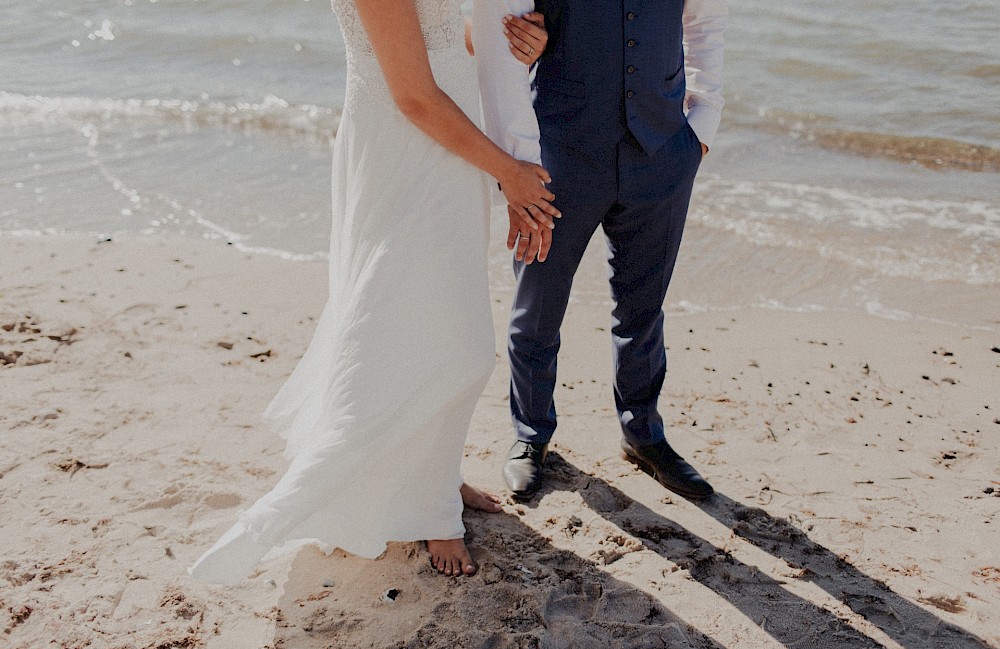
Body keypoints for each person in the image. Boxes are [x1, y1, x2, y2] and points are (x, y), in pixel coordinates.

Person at [189, 0, 555, 584]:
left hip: (450, 142)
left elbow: (435, 33)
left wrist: (506, 40)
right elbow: (412, 94)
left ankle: (436, 476)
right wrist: (509, 171)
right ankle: (429, 508)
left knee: (434, 319)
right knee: (437, 336)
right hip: (407, 146)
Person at [497, 0, 727, 500]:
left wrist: (700, 130)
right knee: (537, 306)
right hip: (560, 152)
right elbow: (502, 40)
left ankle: (643, 434)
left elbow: (706, 25)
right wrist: (516, 161)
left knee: (643, 310)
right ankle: (530, 435)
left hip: (662, 151)